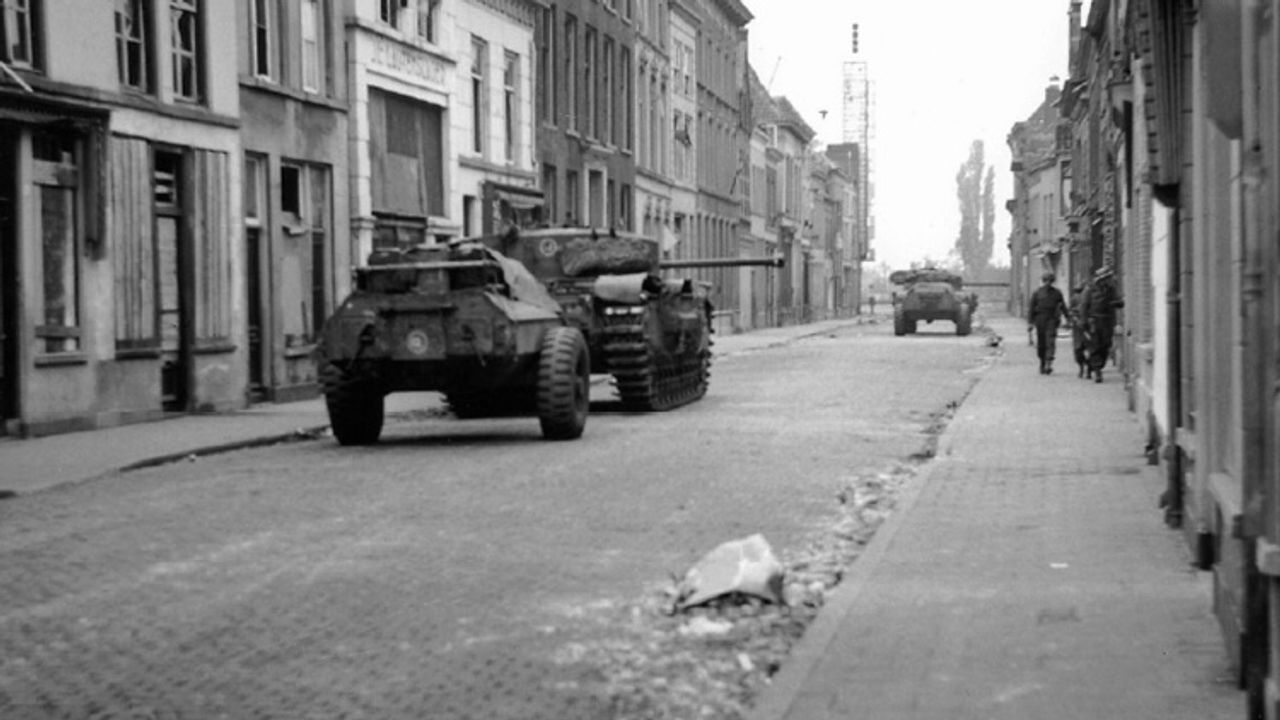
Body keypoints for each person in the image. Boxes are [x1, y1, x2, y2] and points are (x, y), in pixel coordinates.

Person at [1083, 265, 1123, 383]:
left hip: (1107, 321)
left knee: (1106, 345)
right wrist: (1084, 322)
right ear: (1100, 279)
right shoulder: (1089, 290)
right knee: (1095, 345)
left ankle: (1093, 365)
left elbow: (1120, 302)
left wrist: (1115, 303)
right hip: (1094, 321)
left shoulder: (1112, 289)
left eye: (1108, 278)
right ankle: (1097, 372)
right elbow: (1084, 306)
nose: (1108, 280)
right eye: (1106, 278)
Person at [1027, 271, 1070, 375]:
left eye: (1050, 281)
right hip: (1040, 320)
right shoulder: (1037, 293)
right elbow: (1031, 308)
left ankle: (1048, 363)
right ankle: (1042, 362)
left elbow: (1063, 306)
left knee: (1050, 341)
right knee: (1041, 344)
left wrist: (1068, 318)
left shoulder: (1057, 293)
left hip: (1052, 319)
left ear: (1052, 281)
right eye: (1046, 281)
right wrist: (1030, 323)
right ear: (1043, 281)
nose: (1048, 283)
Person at [1068, 284, 1091, 378]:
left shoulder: (1075, 298)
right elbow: (1070, 312)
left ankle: (1083, 368)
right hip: (1081, 327)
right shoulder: (1074, 299)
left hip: (1082, 327)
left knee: (1079, 349)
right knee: (1088, 349)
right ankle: (1086, 368)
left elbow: (1070, 312)